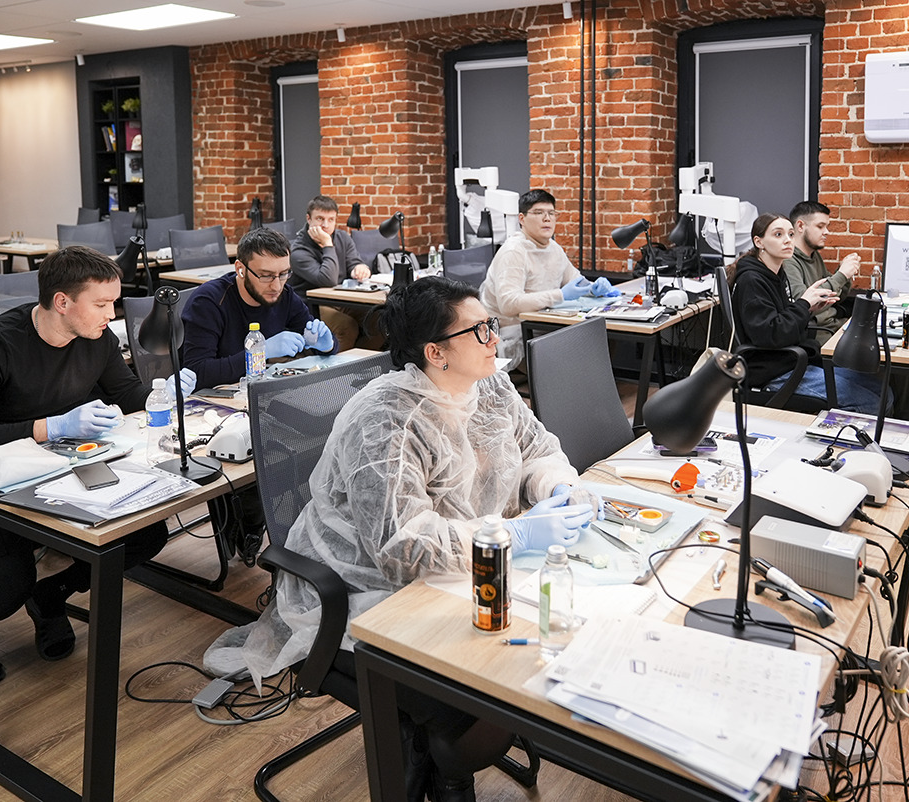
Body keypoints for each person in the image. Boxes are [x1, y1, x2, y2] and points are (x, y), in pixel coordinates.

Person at [206, 276, 600, 800]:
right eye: (480, 330)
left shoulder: (490, 384)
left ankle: (439, 760)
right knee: (480, 695)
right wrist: (515, 532)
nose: (493, 337)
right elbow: (401, 547)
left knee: (536, 647)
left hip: (460, 563)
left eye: (490, 324)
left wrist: (558, 487)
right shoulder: (386, 419)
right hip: (364, 585)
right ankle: (444, 770)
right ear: (436, 352)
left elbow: (536, 449)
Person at [0, 246, 197, 683]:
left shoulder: (98, 339)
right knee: (8, 584)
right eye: (102, 304)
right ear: (62, 302)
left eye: (113, 303)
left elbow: (127, 394)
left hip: (66, 470)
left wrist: (163, 394)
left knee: (146, 533)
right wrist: (51, 427)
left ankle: (52, 593)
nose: (111, 315)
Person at [731, 213, 888, 415]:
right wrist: (804, 303)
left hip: (793, 361)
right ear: (759, 242)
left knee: (883, 391)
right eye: (778, 234)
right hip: (773, 371)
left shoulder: (777, 274)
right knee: (873, 403)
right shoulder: (752, 281)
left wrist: (809, 309)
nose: (788, 240)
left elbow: (783, 319)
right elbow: (771, 333)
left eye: (790, 234)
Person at [181, 227, 336, 390]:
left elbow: (321, 342)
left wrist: (327, 346)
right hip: (216, 398)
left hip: (259, 389)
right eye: (266, 276)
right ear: (240, 269)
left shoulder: (285, 295)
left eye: (284, 274)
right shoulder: (208, 301)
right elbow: (197, 372)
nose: (276, 286)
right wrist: (260, 352)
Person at [479, 189, 619, 367]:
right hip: (513, 335)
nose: (547, 219)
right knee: (586, 349)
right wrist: (560, 295)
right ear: (522, 218)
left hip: (543, 326)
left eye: (551, 213)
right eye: (539, 213)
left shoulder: (553, 248)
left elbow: (575, 281)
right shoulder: (514, 251)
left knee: (604, 336)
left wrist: (593, 288)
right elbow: (509, 304)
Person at [288, 194, 374, 352]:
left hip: (342, 300)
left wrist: (360, 268)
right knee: (346, 326)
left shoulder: (342, 237)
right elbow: (328, 280)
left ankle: (359, 362)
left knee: (379, 320)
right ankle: (337, 367)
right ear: (309, 219)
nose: (325, 225)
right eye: (320, 219)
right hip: (312, 306)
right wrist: (328, 244)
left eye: (331, 219)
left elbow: (354, 262)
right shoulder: (298, 250)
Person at [781, 200, 860, 344]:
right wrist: (842, 274)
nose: (826, 232)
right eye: (820, 226)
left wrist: (845, 274)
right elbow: (803, 304)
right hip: (819, 334)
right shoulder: (788, 260)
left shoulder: (814, 255)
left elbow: (836, 297)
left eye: (827, 226)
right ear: (800, 226)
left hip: (834, 326)